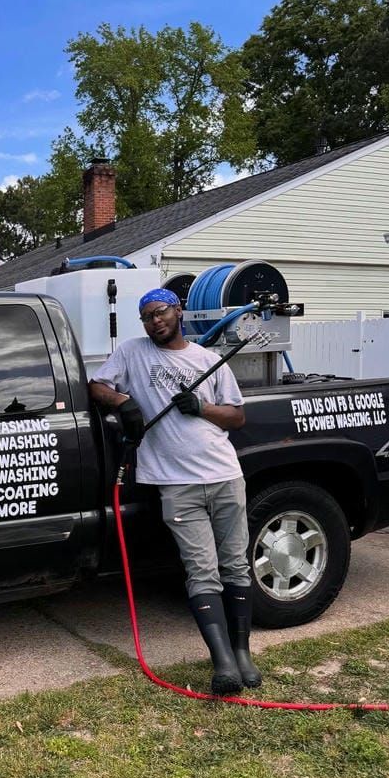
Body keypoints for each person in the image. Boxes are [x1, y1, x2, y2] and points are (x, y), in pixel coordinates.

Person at [88, 287, 261, 694]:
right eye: (146, 316)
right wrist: (124, 402)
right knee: (201, 571)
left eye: (160, 312)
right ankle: (223, 665)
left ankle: (243, 654)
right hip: (175, 484)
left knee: (235, 565)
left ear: (177, 311)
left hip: (223, 476)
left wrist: (201, 408)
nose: (154, 321)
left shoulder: (208, 361)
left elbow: (236, 417)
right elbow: (95, 385)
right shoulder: (133, 352)